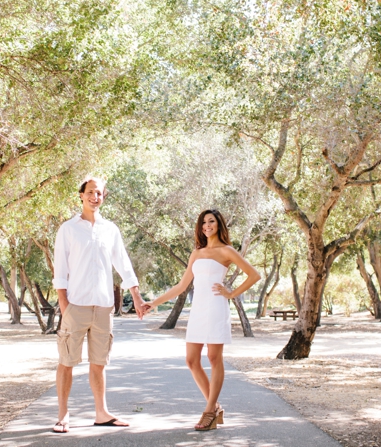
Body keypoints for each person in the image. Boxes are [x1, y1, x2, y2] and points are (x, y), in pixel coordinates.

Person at [144, 209, 260, 431]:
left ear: (219, 225)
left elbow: (254, 275)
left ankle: (209, 412)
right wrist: (154, 303)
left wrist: (231, 293)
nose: (207, 225)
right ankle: (214, 406)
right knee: (191, 360)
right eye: (204, 222)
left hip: (216, 307)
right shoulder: (196, 253)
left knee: (214, 358)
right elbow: (181, 286)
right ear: (200, 227)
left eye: (212, 221)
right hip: (197, 309)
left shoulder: (227, 251)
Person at [51, 176, 149, 434]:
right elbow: (60, 270)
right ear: (81, 195)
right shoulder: (68, 229)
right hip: (76, 306)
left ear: (104, 197)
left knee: (99, 362)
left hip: (104, 308)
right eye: (91, 192)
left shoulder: (110, 230)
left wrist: (136, 296)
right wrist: (65, 306)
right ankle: (63, 415)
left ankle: (101, 413)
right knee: (67, 362)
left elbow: (124, 265)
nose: (95, 197)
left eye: (100, 193)